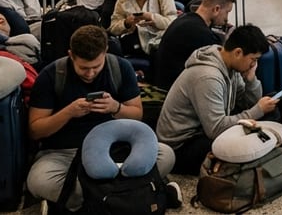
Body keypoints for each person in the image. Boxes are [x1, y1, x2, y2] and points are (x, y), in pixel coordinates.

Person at [26, 26, 178, 211]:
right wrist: (68, 112)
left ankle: (90, 202)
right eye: (83, 68)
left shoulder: (120, 67)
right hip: (65, 152)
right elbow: (35, 130)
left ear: (105, 52)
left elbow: (136, 114)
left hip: (116, 148)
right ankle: (140, 191)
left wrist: (116, 108)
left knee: (166, 154)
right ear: (71, 55)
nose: (90, 74)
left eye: (96, 67)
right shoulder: (52, 75)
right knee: (38, 181)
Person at [155, 24, 279, 175]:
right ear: (238, 52)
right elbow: (216, 129)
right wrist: (258, 110)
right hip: (182, 146)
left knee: (272, 109)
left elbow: (247, 103)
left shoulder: (229, 64)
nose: (254, 64)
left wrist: (251, 79)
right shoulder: (207, 77)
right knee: (238, 143)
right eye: (253, 59)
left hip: (204, 129)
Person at [153, 0, 236, 90]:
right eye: (227, 12)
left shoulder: (184, 20)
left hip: (165, 83)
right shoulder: (202, 34)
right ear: (216, 9)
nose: (226, 19)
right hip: (174, 89)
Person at [108, 0, 178, 58]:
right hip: (134, 43)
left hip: (160, 42)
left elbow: (174, 24)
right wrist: (126, 23)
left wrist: (153, 18)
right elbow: (113, 27)